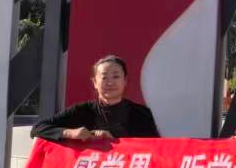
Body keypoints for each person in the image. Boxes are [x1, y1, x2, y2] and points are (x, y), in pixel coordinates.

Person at [31, 55, 160, 142]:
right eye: (104, 77)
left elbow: (155, 150)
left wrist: (114, 141)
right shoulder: (81, 111)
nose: (110, 83)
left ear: (125, 81)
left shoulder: (142, 114)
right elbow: (37, 128)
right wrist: (70, 133)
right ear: (94, 83)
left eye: (116, 76)